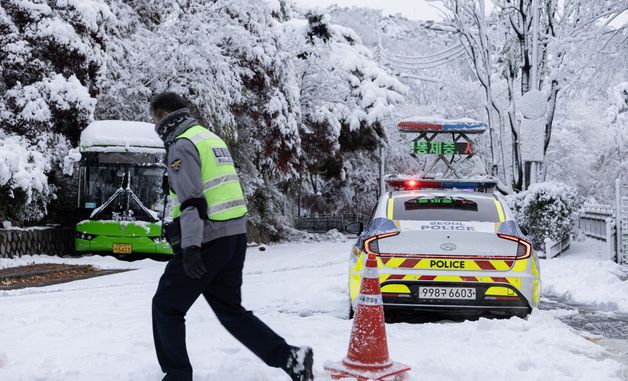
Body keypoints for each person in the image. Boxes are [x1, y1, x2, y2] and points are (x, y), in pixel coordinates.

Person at [150, 91, 314, 381]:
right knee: (231, 312)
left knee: (166, 305)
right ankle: (291, 358)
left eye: (153, 117)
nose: (152, 123)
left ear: (163, 116)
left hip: (207, 239)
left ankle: (177, 376)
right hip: (234, 237)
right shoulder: (209, 138)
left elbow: (192, 201)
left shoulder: (182, 144)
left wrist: (190, 248)